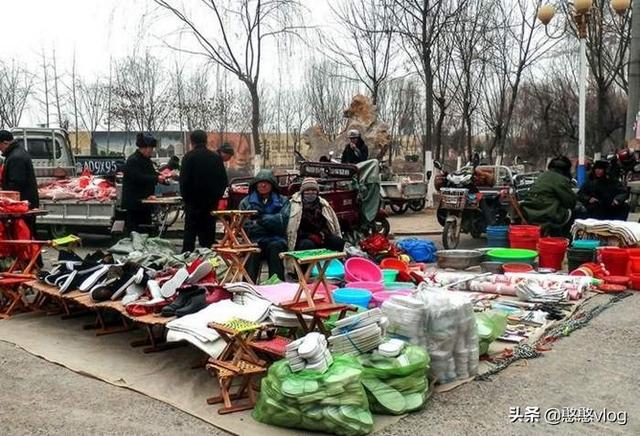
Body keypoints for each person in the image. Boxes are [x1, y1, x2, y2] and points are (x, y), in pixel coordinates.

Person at [180, 130, 228, 253]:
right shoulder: (215, 158)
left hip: (192, 203)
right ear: (206, 141)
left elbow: (184, 181)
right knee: (208, 234)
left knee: (190, 234)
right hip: (210, 203)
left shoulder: (188, 157)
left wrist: (186, 199)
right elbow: (223, 181)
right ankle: (209, 258)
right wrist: (216, 197)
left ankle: (187, 258)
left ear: (192, 142)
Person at [239, 170, 290, 282]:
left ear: (272, 184)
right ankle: (247, 286)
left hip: (276, 239)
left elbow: (282, 223)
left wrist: (259, 219)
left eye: (266, 182)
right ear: (255, 184)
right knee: (253, 249)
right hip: (254, 240)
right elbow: (246, 228)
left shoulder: (283, 201)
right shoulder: (246, 202)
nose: (263, 185)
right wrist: (271, 222)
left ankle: (277, 286)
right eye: (260, 182)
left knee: (275, 247)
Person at [521, 156, 577, 234]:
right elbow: (570, 202)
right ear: (567, 170)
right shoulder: (561, 179)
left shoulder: (542, 176)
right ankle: (565, 237)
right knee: (576, 211)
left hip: (529, 211)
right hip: (547, 213)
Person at [287, 177, 345, 252]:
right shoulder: (294, 204)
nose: (310, 192)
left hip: (321, 236)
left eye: (313, 190)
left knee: (338, 242)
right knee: (307, 245)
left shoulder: (323, 204)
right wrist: (310, 236)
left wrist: (323, 235)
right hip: (302, 238)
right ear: (302, 192)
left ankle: (335, 259)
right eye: (307, 190)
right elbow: (292, 229)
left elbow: (332, 224)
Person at [122, 133, 164, 234]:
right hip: (135, 204)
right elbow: (138, 178)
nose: (152, 151)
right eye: (151, 148)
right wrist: (156, 178)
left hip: (145, 202)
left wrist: (162, 176)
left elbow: (151, 174)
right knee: (136, 232)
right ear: (144, 148)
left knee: (146, 230)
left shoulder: (146, 160)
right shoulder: (133, 160)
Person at [0, 129, 39, 237]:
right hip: (25, 203)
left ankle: (31, 249)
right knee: (28, 234)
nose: (0, 149)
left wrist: (4, 197)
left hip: (22, 204)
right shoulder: (16, 153)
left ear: (5, 143)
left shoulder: (16, 157)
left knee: (24, 235)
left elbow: (16, 184)